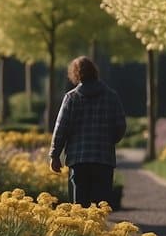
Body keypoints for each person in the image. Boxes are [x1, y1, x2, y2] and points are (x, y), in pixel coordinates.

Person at [49, 56, 126, 207]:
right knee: (100, 209)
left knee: (79, 209)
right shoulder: (111, 96)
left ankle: (82, 232)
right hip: (104, 159)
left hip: (78, 160)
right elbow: (121, 125)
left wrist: (54, 155)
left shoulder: (71, 98)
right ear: (94, 71)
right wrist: (109, 141)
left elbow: (61, 128)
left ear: (75, 74)